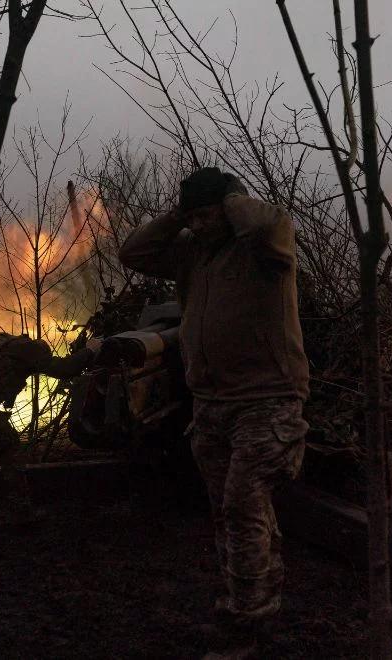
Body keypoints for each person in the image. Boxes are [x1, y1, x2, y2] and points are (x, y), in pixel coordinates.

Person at [119, 167, 310, 659]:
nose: (199, 225)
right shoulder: (192, 253)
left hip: (266, 399)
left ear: (227, 208)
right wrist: (180, 215)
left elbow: (267, 224)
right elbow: (132, 252)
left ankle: (247, 624)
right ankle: (251, 602)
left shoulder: (264, 247)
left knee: (242, 505)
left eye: (208, 215)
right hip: (211, 404)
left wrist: (231, 199)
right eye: (193, 218)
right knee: (231, 513)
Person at [0, 332, 99, 537]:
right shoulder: (30, 349)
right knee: (10, 448)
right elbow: (65, 370)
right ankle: (20, 511)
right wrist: (90, 350)